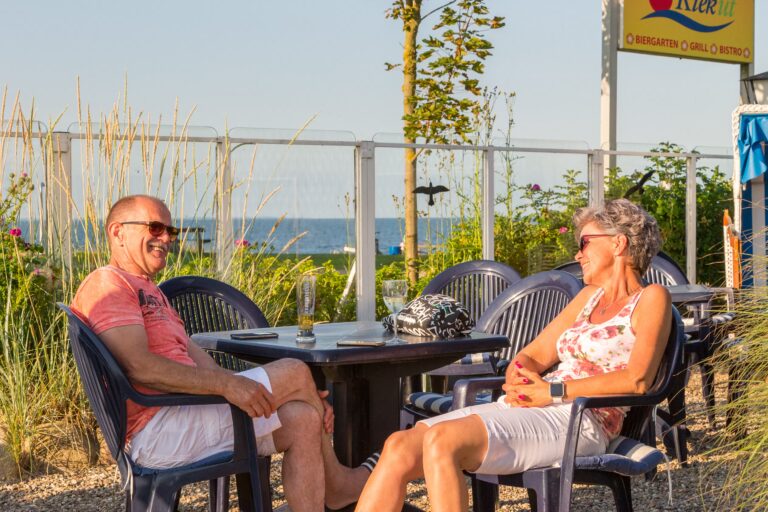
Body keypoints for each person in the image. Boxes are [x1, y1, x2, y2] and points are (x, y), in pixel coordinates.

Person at [356, 198, 672, 512]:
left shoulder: (651, 298)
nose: (578, 253)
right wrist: (520, 372)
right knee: (398, 447)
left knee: (443, 441)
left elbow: (637, 379)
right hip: (537, 405)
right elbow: (533, 354)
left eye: (585, 242)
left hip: (581, 418)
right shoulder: (589, 297)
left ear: (618, 243)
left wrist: (551, 391)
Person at [71, 194, 370, 512]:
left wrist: (283, 392)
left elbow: (199, 361)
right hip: (159, 428)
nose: (166, 239)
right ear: (117, 232)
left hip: (186, 414)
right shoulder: (109, 284)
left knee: (304, 418)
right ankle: (337, 485)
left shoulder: (152, 291)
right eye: (156, 227)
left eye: (171, 232)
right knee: (296, 371)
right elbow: (140, 367)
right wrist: (231, 386)